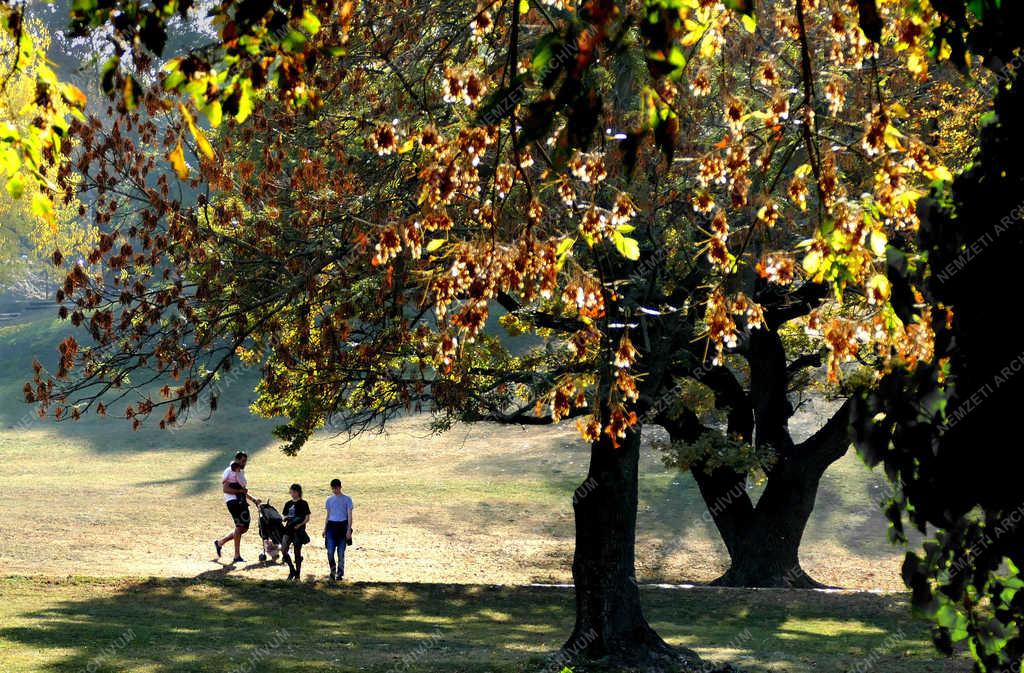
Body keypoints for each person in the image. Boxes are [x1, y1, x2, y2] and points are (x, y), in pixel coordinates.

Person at [214, 451, 260, 563]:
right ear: (237, 460)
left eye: (245, 461)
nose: (245, 463)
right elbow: (226, 489)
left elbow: (242, 491)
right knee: (240, 527)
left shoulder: (239, 472)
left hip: (241, 502)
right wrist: (240, 491)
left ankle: (220, 543)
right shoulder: (230, 471)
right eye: (243, 461)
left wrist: (254, 500)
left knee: (243, 528)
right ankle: (236, 556)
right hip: (233, 502)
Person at [323, 478, 353, 581]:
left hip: (342, 526)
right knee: (330, 551)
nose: (335, 490)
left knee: (341, 552)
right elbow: (328, 515)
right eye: (333, 488)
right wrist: (325, 528)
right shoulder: (329, 500)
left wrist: (349, 530)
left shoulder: (347, 499)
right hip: (331, 526)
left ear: (340, 487)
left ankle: (339, 574)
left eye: (336, 488)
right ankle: (332, 571)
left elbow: (349, 515)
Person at [281, 483, 311, 581]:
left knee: (297, 552)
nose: (292, 493)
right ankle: (291, 569)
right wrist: (284, 518)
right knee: (284, 549)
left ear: (298, 492)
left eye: (293, 491)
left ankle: (297, 575)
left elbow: (307, 518)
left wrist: (300, 525)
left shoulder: (303, 503)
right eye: (291, 491)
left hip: (298, 531)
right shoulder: (288, 503)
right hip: (288, 529)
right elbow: (284, 516)